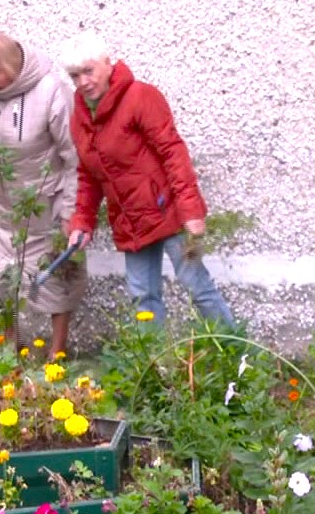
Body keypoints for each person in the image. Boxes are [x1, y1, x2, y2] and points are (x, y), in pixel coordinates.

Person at [57, 31, 237, 328]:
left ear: (107, 63)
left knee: (198, 288)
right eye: (75, 75)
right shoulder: (80, 118)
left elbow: (173, 152)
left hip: (169, 212)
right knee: (143, 300)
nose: (83, 82)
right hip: (131, 220)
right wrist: (82, 223)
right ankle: (153, 368)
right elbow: (89, 175)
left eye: (88, 71)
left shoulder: (140, 97)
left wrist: (191, 211)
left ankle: (238, 359)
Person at [0, 32, 84, 355]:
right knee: (2, 283)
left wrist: (71, 212)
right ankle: (13, 351)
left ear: (12, 65)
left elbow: (75, 158)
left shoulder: (52, 91)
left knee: (56, 282)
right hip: (2, 209)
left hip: (45, 205)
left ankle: (58, 353)